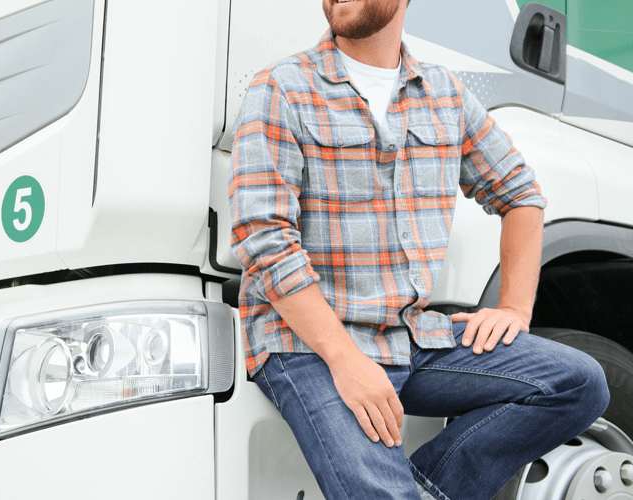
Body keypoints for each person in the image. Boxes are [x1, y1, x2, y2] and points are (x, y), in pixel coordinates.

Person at [229, 1, 610, 498]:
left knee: (578, 383)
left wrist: (514, 309)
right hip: (307, 345)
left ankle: (428, 489)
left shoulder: (444, 93)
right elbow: (263, 238)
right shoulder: (281, 88)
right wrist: (345, 360)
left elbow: (521, 194)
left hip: (411, 336)